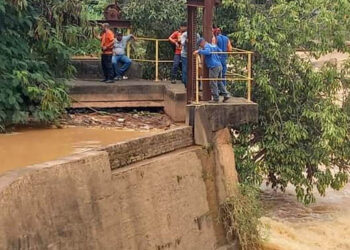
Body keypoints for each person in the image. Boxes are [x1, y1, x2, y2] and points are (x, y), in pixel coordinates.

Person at [194, 38, 230, 103]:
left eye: (200, 45)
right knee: (219, 82)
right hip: (219, 65)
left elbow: (208, 52)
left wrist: (199, 51)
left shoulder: (207, 46)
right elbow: (220, 51)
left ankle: (216, 98)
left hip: (214, 67)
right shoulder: (213, 45)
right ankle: (226, 94)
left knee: (213, 82)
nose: (200, 47)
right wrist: (217, 58)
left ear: (202, 42)